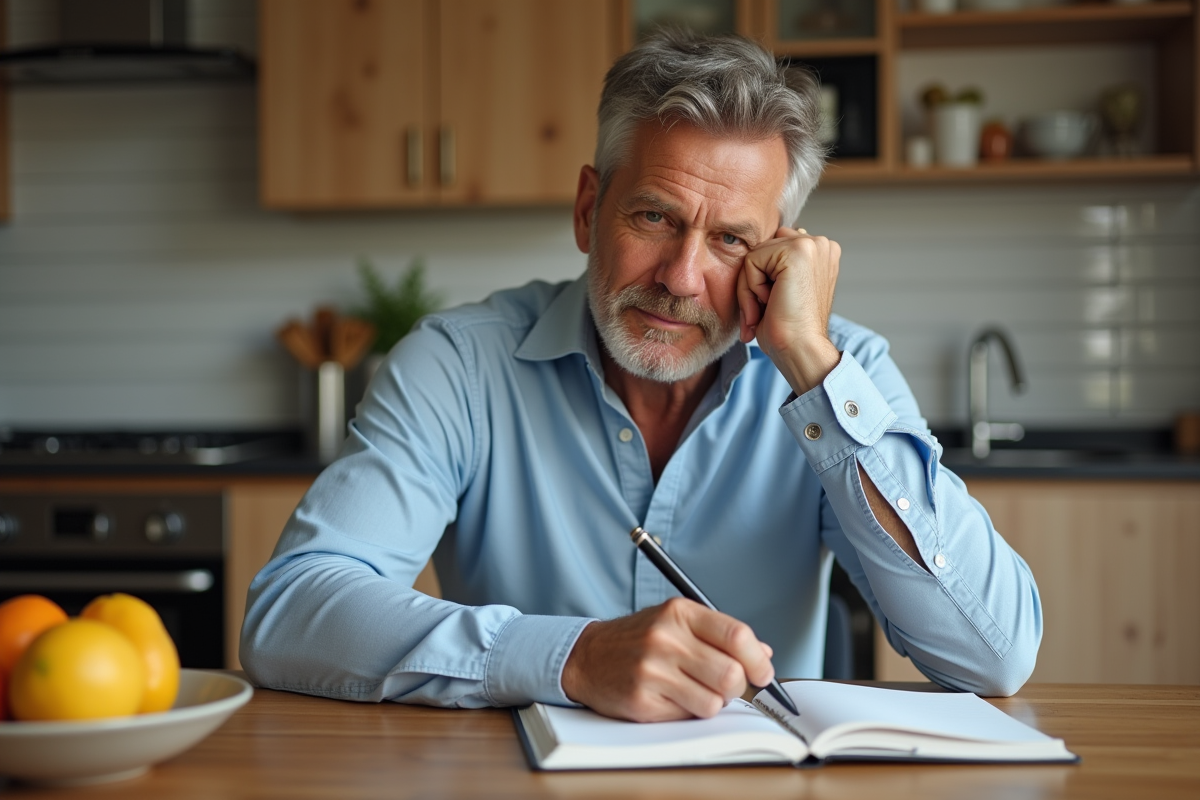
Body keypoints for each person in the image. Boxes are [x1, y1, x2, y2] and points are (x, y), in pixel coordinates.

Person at [241, 31, 1041, 722]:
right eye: (654, 217)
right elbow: (291, 612)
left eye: (730, 240)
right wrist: (570, 657)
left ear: (777, 255)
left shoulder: (839, 373)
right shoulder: (457, 365)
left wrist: (810, 364)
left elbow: (993, 655)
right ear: (591, 208)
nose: (682, 279)